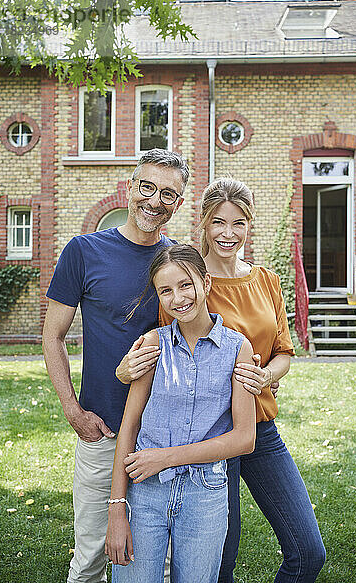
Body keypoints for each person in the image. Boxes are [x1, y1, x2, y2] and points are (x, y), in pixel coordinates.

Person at [116, 177, 326, 583]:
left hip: (260, 431)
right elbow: (167, 358)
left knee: (307, 551)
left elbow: (283, 352)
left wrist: (263, 376)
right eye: (218, 223)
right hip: (206, 439)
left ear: (250, 225)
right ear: (204, 225)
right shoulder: (188, 282)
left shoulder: (265, 280)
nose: (228, 234)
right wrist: (123, 371)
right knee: (216, 565)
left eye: (238, 223)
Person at [42, 148, 189, 583]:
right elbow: (52, 336)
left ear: (178, 205)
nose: (154, 200)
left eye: (168, 194)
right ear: (130, 187)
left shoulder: (178, 262)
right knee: (89, 558)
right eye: (147, 187)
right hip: (102, 427)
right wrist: (73, 410)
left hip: (160, 435)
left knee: (152, 563)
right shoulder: (84, 251)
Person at [105, 244, 256, 583]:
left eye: (186, 285)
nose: (178, 298)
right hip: (145, 494)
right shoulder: (151, 345)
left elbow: (244, 438)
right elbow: (129, 428)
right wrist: (117, 507)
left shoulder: (238, 349)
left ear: (206, 283)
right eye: (166, 290)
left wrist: (166, 458)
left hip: (206, 493)